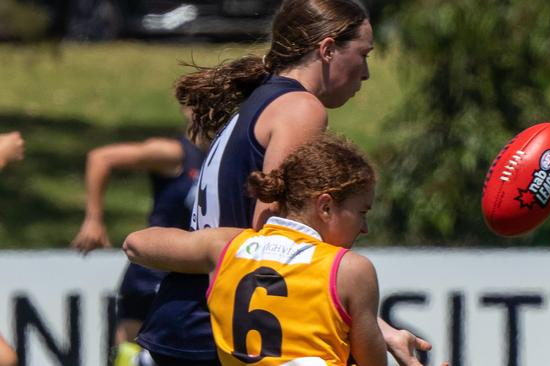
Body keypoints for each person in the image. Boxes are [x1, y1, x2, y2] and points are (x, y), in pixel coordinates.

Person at [137, 0, 431, 365]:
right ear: (327, 50)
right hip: (221, 329)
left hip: (192, 321)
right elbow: (271, 236)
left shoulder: (263, 100)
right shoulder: (300, 109)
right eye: (364, 54)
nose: (366, 72)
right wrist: (364, 321)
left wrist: (374, 325)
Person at [125, 134, 388, 365]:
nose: (364, 227)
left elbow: (135, 244)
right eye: (361, 212)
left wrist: (246, 240)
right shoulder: (351, 269)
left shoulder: (227, 248)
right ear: (326, 206)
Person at [70, 111, 205, 366]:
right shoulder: (174, 152)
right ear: (189, 111)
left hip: (199, 270)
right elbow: (101, 158)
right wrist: (93, 219)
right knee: (129, 353)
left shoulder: (230, 152)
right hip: (156, 270)